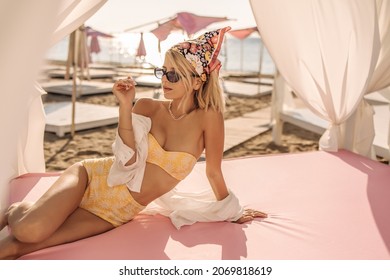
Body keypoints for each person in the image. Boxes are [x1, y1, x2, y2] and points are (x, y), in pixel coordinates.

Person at [0, 27, 267, 259]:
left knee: (16, 248)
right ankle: (17, 211)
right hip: (91, 179)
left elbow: (213, 172)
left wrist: (233, 211)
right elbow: (126, 159)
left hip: (117, 211)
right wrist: (126, 107)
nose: (164, 79)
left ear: (197, 81)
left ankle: (20, 213)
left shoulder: (210, 118)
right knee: (28, 230)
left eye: (174, 75)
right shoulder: (149, 106)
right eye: (163, 71)